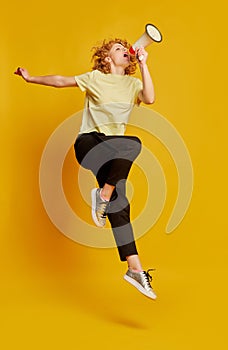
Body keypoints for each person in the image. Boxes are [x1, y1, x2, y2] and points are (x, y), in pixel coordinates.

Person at [14, 37, 157, 300]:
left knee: (119, 201)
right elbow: (60, 81)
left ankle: (134, 268)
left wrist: (145, 65)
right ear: (106, 58)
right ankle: (103, 195)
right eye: (117, 49)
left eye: (126, 50)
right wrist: (31, 78)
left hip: (114, 149)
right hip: (90, 143)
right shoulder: (95, 78)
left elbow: (149, 98)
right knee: (132, 145)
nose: (125, 51)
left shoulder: (133, 83)